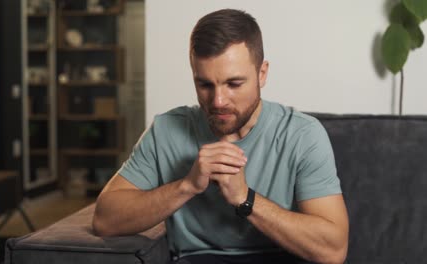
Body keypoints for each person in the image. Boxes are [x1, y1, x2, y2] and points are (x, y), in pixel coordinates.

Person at [93, 8, 349, 264]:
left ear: (262, 74)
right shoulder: (166, 130)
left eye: (234, 84)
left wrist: (245, 199)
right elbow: (105, 220)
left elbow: (333, 250)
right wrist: (187, 186)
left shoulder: (302, 134)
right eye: (204, 84)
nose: (218, 101)